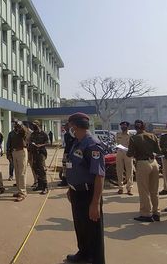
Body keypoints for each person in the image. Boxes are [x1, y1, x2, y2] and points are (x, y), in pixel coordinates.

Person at [65, 112, 105, 264]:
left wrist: (95, 203)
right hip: (77, 192)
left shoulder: (92, 144)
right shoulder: (77, 142)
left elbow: (99, 175)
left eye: (70, 126)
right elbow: (75, 167)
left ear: (74, 126)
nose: (69, 129)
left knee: (93, 231)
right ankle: (83, 254)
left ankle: (95, 260)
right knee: (80, 227)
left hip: (89, 193)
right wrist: (71, 187)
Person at [127, 119, 161, 222]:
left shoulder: (134, 138)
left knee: (144, 190)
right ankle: (156, 212)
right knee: (154, 190)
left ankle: (146, 214)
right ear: (144, 127)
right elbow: (158, 151)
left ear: (135, 127)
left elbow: (130, 154)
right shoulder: (153, 136)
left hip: (142, 164)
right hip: (154, 163)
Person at [11, 119, 30, 202]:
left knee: (22, 173)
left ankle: (23, 193)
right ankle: (19, 190)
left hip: (22, 151)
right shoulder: (13, 133)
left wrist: (21, 124)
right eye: (13, 123)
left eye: (16, 123)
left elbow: (25, 132)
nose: (14, 125)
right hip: (14, 152)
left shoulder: (23, 131)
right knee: (17, 173)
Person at [29, 120, 50, 194]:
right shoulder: (32, 134)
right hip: (34, 153)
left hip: (41, 153)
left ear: (38, 125)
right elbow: (30, 142)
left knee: (42, 169)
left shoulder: (43, 133)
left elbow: (48, 142)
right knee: (35, 168)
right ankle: (40, 185)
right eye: (33, 125)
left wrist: (40, 145)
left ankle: (45, 187)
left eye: (35, 125)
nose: (33, 126)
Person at [115, 121, 134, 195]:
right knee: (119, 170)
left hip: (128, 153)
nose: (123, 127)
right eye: (122, 126)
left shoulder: (131, 135)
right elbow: (116, 143)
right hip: (119, 153)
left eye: (124, 126)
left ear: (127, 127)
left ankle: (129, 188)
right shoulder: (118, 134)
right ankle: (120, 187)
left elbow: (132, 145)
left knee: (129, 171)